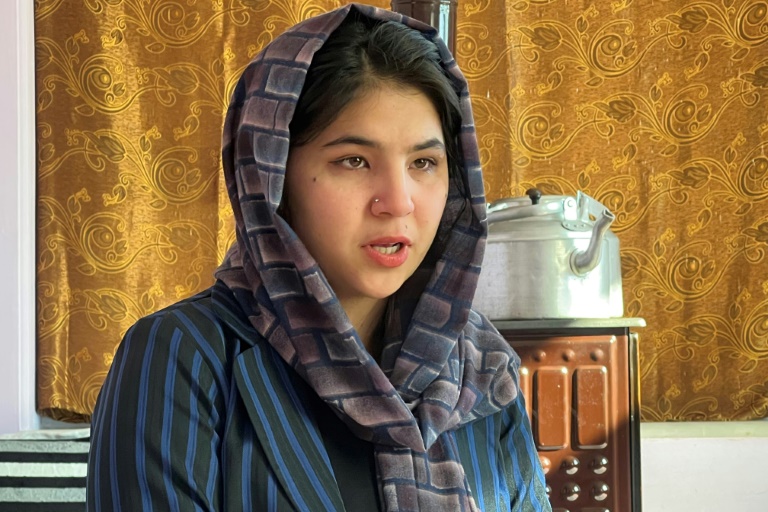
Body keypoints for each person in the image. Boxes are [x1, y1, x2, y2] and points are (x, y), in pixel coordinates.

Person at [86, 3, 551, 511]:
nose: (398, 202)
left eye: (423, 162)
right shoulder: (184, 356)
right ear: (272, 178)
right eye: (354, 161)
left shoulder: (479, 373)